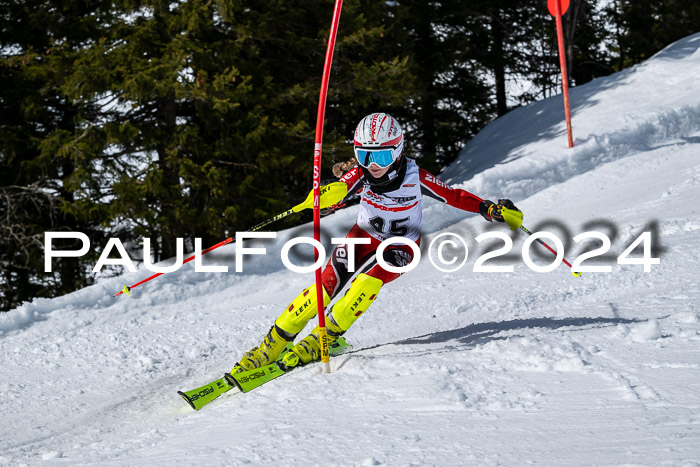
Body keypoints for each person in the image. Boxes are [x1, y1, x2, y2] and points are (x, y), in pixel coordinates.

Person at [232, 112, 519, 373]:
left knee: (366, 284)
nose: (373, 166)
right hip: (364, 234)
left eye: (381, 158)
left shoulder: (414, 176)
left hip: (402, 246)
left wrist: (488, 208)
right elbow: (340, 190)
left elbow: (453, 195)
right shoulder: (360, 173)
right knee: (325, 286)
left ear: (397, 152)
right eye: (364, 155)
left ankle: (326, 336)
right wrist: (325, 198)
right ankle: (270, 345)